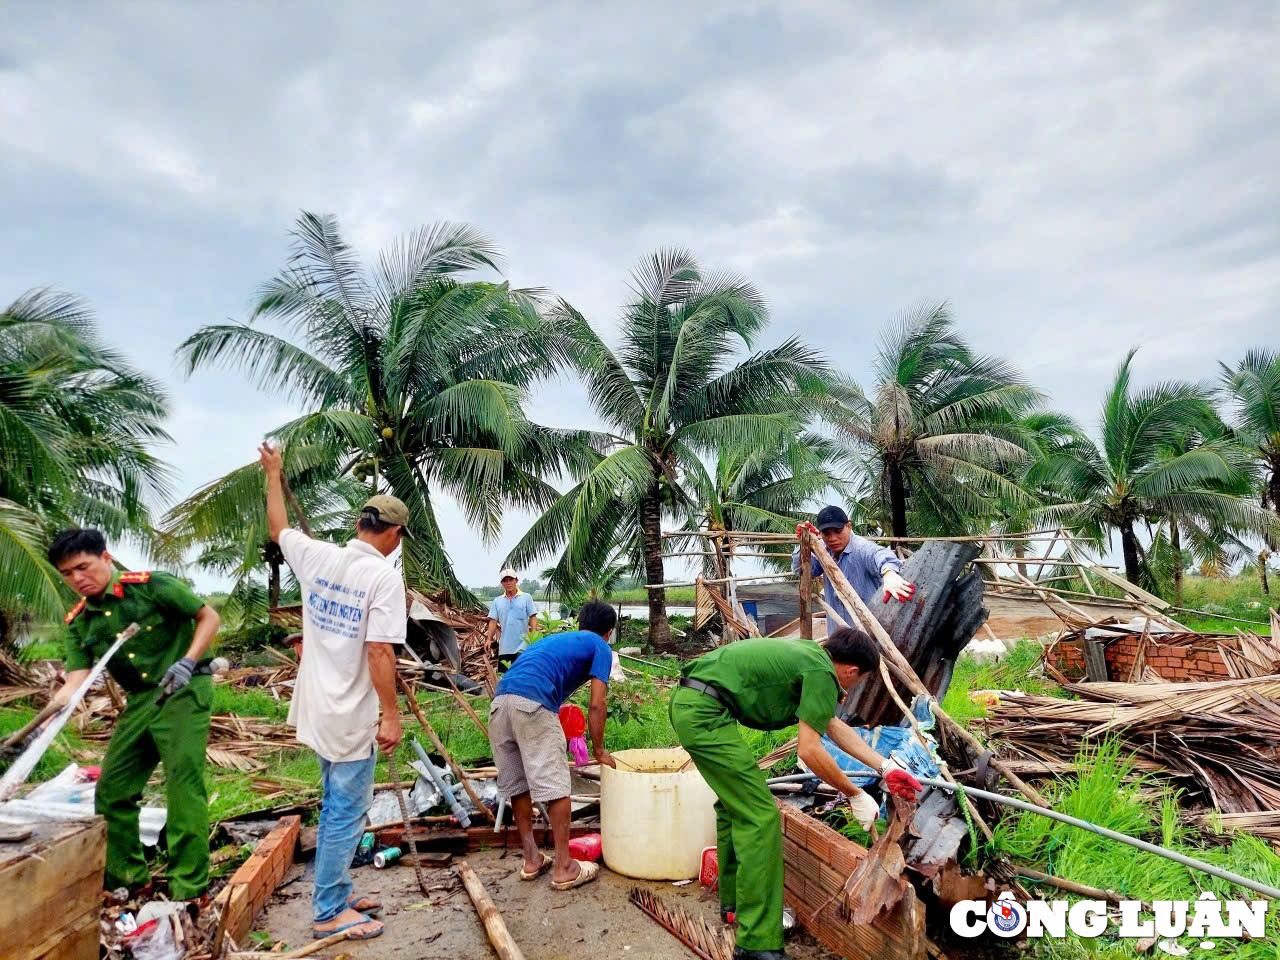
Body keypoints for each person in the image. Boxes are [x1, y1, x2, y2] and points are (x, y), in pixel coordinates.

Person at [670, 629, 923, 960]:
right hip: (704, 714)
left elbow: (832, 725)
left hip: (697, 705)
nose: (850, 689)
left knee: (736, 805)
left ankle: (734, 906)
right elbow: (810, 750)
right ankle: (757, 945)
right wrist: (854, 794)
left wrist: (885, 767)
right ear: (851, 671)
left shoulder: (811, 657)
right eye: (858, 682)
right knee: (761, 817)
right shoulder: (821, 671)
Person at [260, 444, 407, 942]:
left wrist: (272, 474)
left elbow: (278, 528)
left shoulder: (317, 556)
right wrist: (391, 714)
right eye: (398, 537)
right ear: (391, 533)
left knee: (335, 800)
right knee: (347, 808)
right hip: (350, 714)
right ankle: (327, 910)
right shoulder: (381, 578)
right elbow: (379, 652)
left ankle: (338, 888)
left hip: (317, 707)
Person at [48, 528, 221, 906]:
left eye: (83, 567)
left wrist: (188, 660)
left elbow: (208, 616)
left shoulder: (151, 586)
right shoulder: (80, 622)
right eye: (67, 574)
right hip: (142, 700)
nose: (77, 578)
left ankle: (189, 888)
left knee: (182, 784)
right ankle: (129, 879)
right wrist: (46, 718)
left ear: (106, 559)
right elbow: (76, 679)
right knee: (112, 791)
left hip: (185, 688)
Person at [488, 599, 619, 890]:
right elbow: (597, 704)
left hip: (499, 704)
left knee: (518, 785)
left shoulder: (557, 640)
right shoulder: (600, 646)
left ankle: (532, 859)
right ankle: (564, 867)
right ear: (608, 632)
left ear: (580, 623)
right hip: (533, 703)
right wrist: (598, 750)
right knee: (557, 787)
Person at [792, 505, 915, 626]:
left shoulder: (861, 548)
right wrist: (804, 545)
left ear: (849, 526)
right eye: (826, 533)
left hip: (869, 635)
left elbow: (880, 554)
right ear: (820, 533)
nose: (832, 538)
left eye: (838, 531)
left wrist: (889, 574)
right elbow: (802, 570)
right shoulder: (822, 551)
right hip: (837, 631)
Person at [486, 567, 539, 669]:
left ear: (516, 581)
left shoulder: (526, 597)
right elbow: (493, 621)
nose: (508, 583)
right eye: (505, 580)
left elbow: (533, 617)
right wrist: (489, 639)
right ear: (502, 583)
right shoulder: (497, 601)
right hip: (505, 647)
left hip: (523, 647)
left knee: (522, 676)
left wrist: (534, 636)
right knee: (504, 677)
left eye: (511, 579)